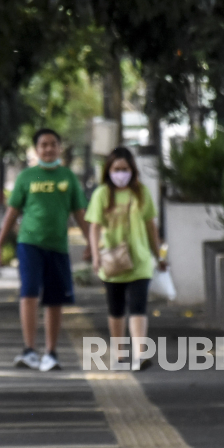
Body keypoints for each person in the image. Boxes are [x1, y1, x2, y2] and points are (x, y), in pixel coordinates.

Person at [0, 128, 90, 372]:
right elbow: (12, 212)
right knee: (28, 293)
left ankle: (51, 352)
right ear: (37, 149)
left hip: (57, 246)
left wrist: (92, 243)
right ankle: (29, 350)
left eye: (53, 144)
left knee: (55, 299)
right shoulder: (26, 177)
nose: (48, 149)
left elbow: (80, 214)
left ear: (59, 148)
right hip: (29, 245)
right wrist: (0, 242)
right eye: (43, 145)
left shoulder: (68, 178)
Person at [85, 147, 165, 371]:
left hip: (140, 260)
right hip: (111, 261)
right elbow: (94, 228)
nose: (121, 174)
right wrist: (95, 255)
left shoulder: (141, 193)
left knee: (138, 306)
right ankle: (119, 355)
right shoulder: (102, 194)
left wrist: (159, 255)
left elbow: (151, 226)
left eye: (125, 169)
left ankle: (140, 355)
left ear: (133, 170)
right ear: (108, 171)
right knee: (116, 308)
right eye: (116, 169)